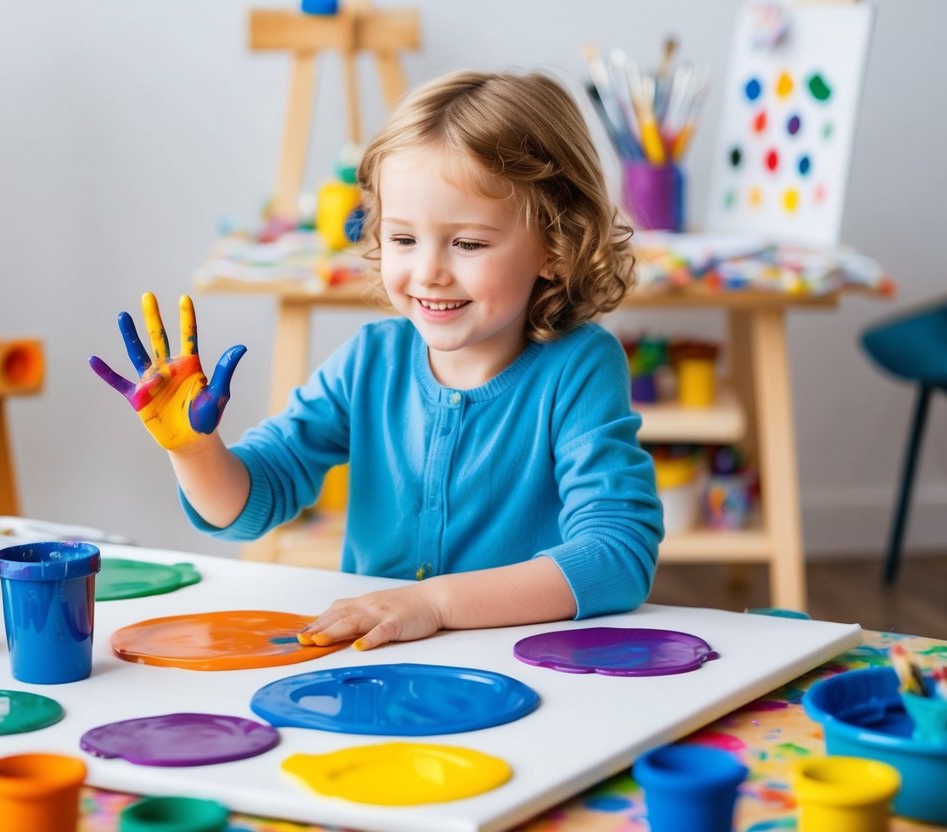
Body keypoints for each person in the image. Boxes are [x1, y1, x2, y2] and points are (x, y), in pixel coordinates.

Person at [90, 70, 663, 652]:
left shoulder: (579, 368)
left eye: (467, 243)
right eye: (403, 239)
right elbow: (250, 503)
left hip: (522, 661)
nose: (428, 271)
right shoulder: (371, 361)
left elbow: (617, 555)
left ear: (557, 246)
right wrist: (193, 451)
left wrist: (432, 603)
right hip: (374, 660)